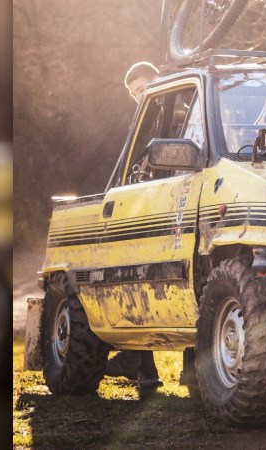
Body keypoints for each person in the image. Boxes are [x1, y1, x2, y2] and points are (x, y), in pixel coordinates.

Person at [104, 62, 163, 397]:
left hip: (162, 203)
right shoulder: (146, 117)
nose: (137, 98)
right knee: (138, 283)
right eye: (133, 94)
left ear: (154, 82)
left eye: (140, 90)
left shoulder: (172, 108)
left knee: (141, 282)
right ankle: (144, 369)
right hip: (147, 201)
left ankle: (139, 364)